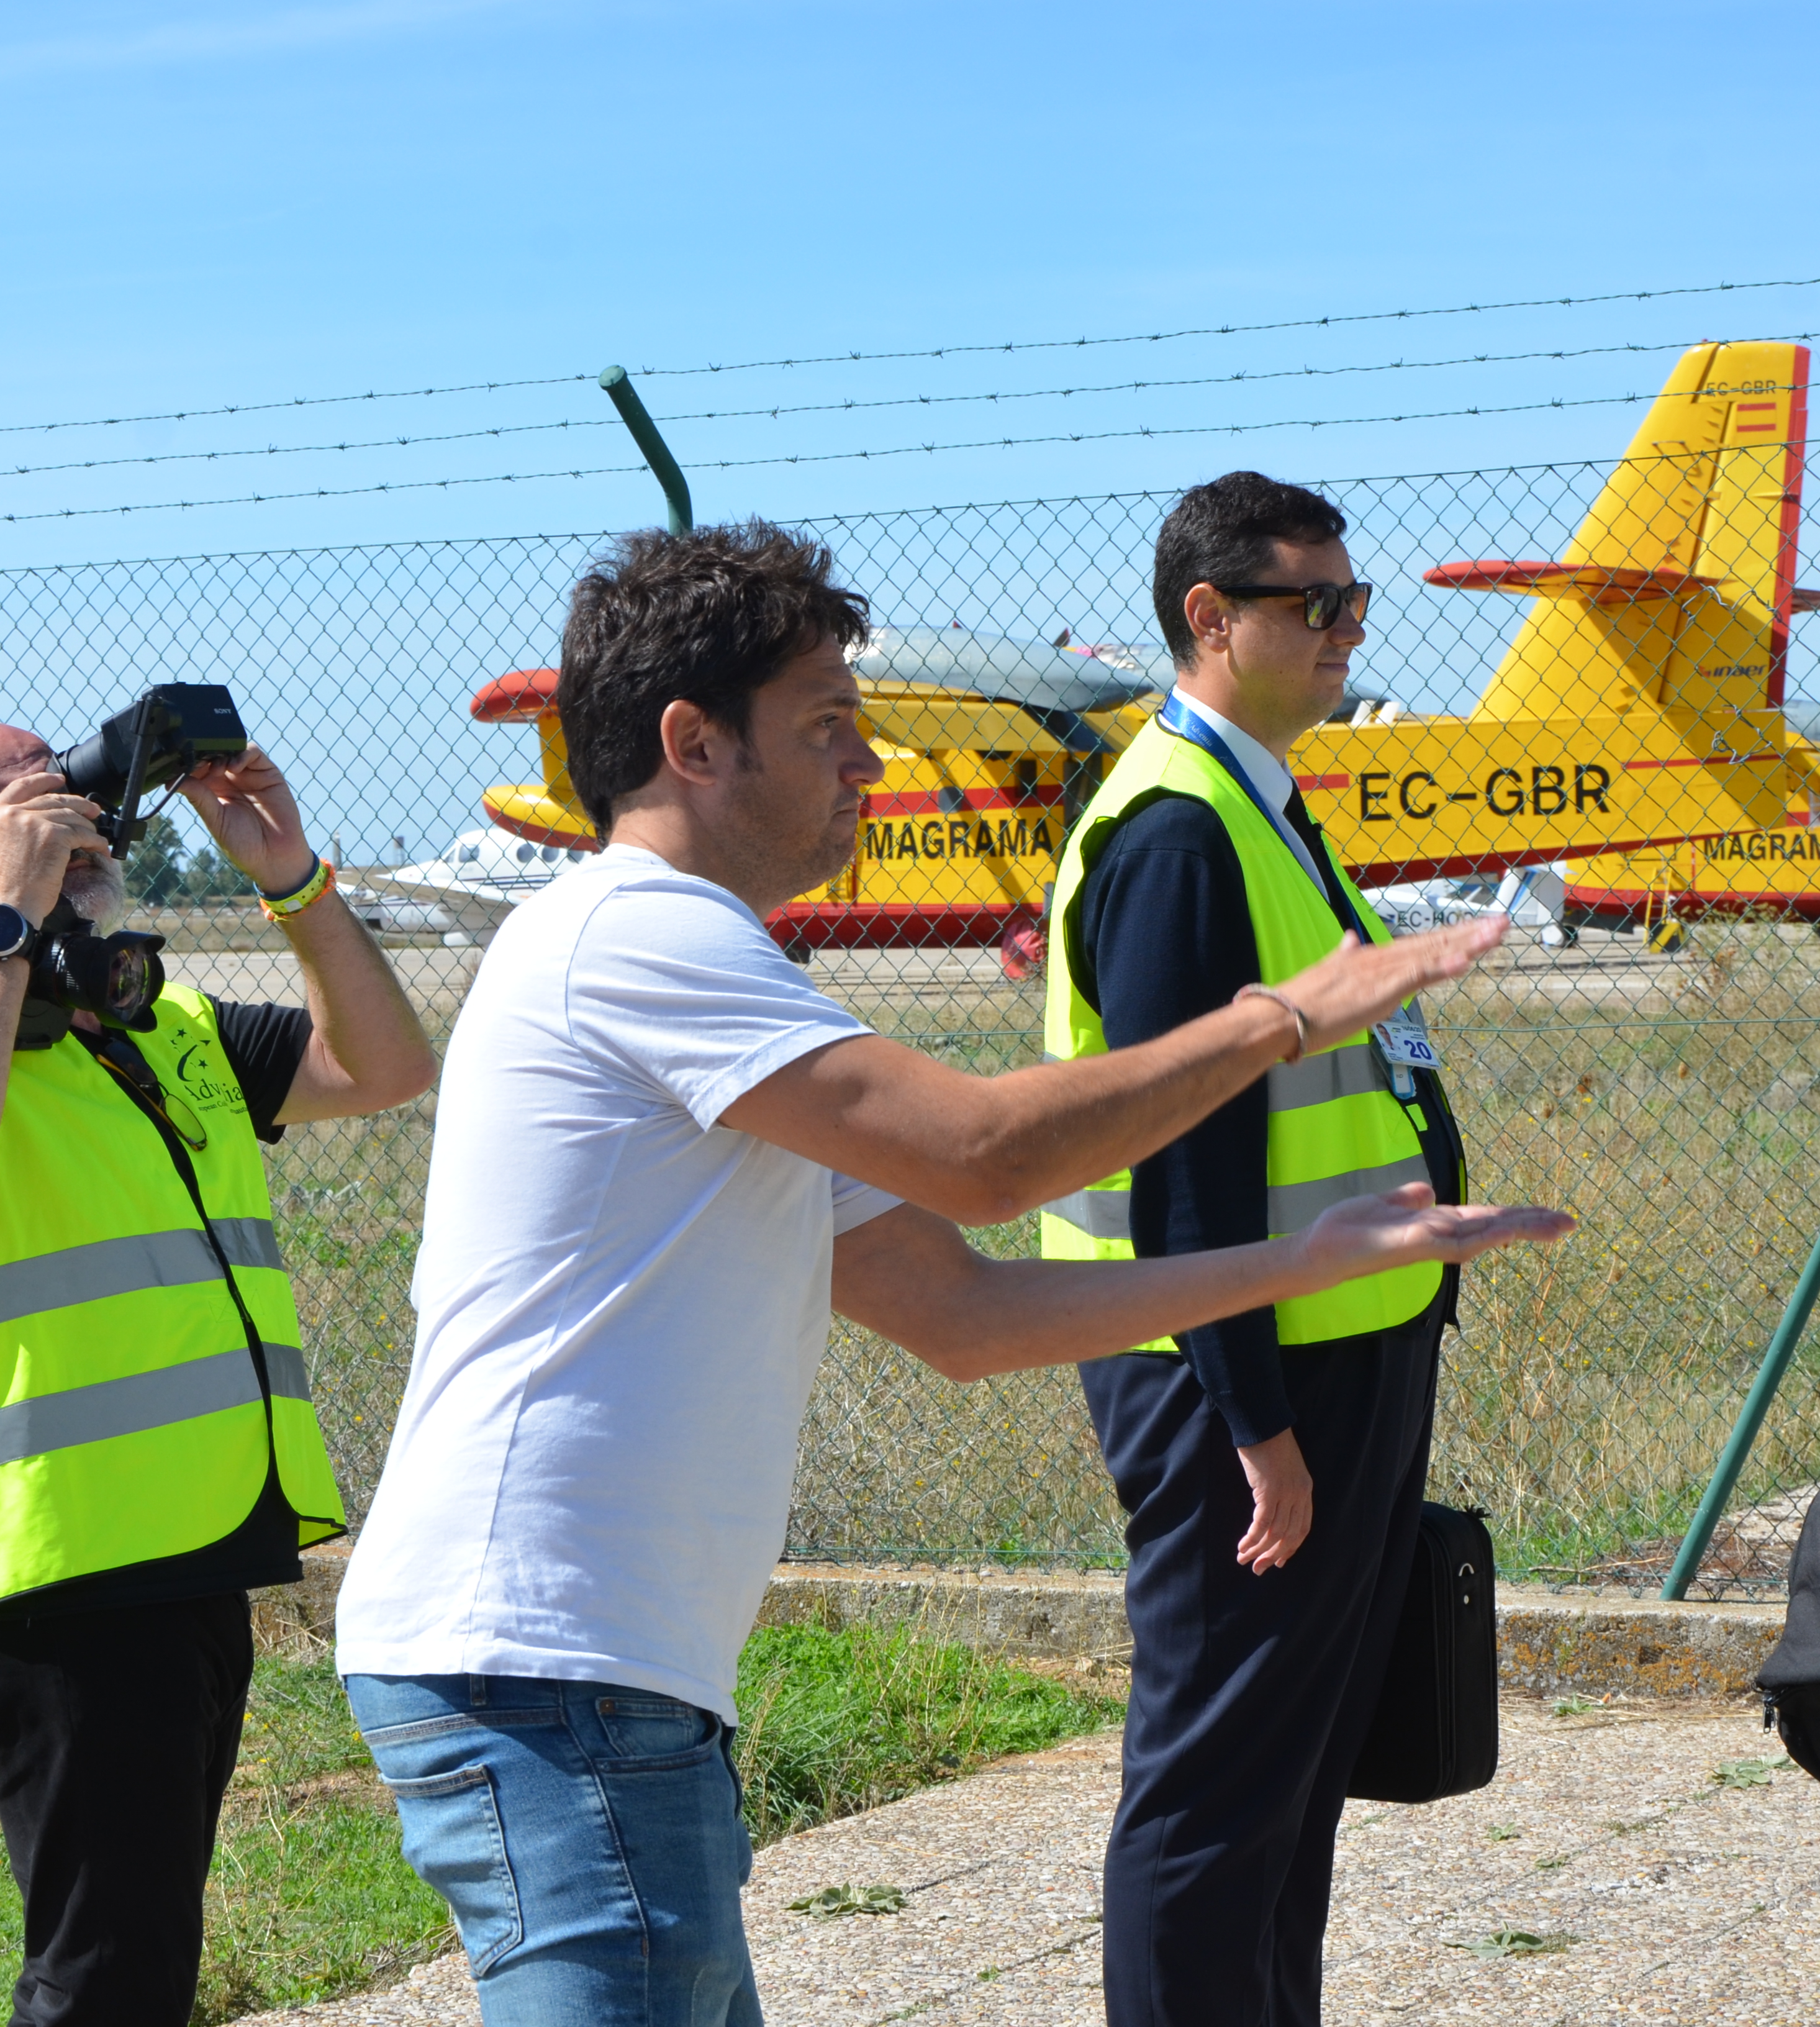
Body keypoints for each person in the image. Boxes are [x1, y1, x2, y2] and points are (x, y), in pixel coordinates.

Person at [331, 520, 1572, 2027]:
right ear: (692, 744)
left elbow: (965, 1312)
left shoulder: (727, 993)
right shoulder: (634, 937)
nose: (869, 764)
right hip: (542, 1677)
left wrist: (1291, 1261)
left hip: (615, 1686)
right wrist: (1275, 1022)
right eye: (829, 726)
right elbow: (985, 1156)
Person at [0, 722, 436, 2027]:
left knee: (136, 1966)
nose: (66, 803)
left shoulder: (165, 1029)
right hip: (55, 1583)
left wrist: (292, 879)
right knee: (106, 1978)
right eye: (14, 795)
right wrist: (4, 914)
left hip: (185, 1558)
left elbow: (389, 1067)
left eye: (67, 781)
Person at [1036, 471, 1469, 2026]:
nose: (1351, 631)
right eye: (1318, 604)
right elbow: (1181, 1160)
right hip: (1235, 1373)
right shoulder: (1175, 830)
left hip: (1332, 1347)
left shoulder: (1261, 805)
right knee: (1216, 1786)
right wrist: (1256, 1426)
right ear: (1208, 619)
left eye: (1355, 602)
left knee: (1289, 1779)